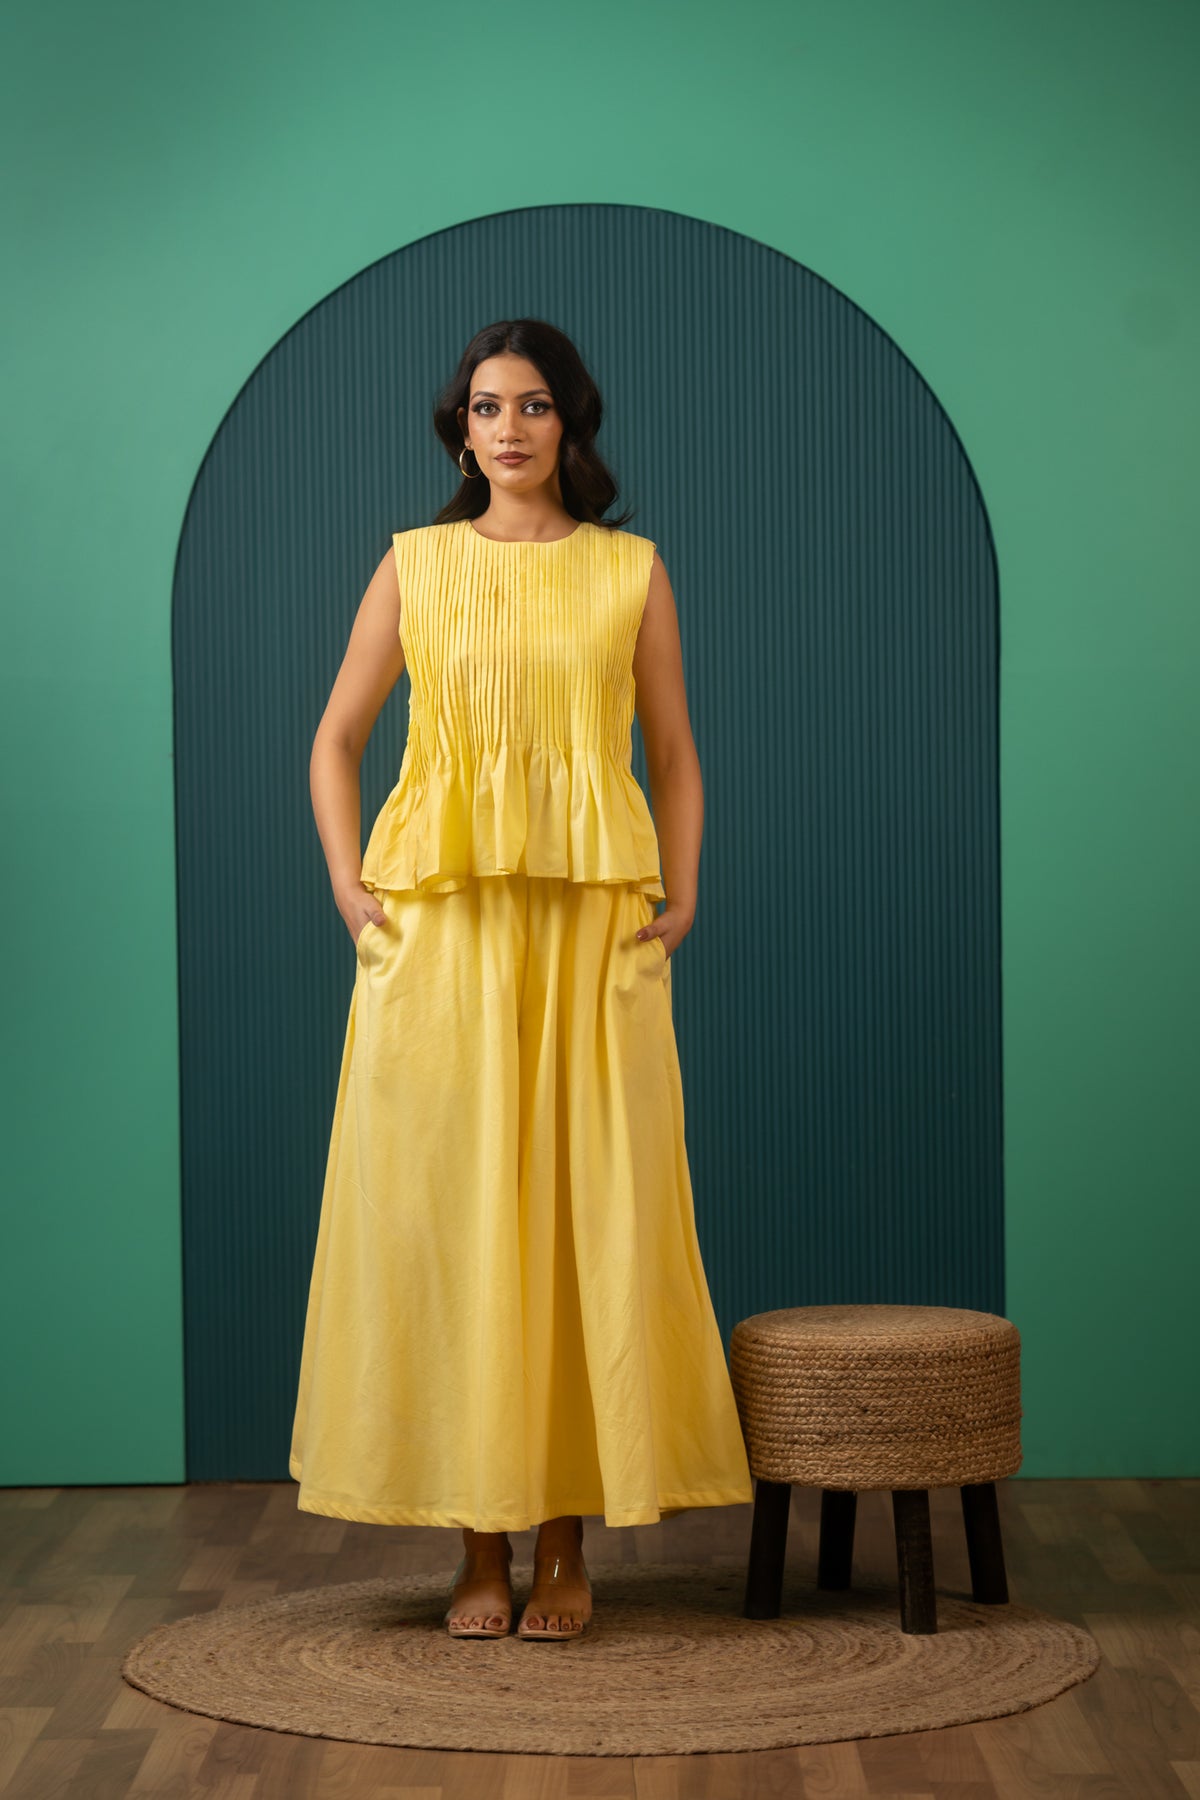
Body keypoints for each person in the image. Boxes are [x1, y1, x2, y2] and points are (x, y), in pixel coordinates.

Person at [289, 318, 752, 1642]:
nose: (509, 428)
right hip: (442, 934)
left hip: (591, 929)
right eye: (487, 407)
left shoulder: (629, 570)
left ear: (570, 423)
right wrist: (348, 887)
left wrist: (685, 892)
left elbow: (675, 750)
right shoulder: (415, 565)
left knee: (585, 1215)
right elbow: (335, 739)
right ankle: (476, 1547)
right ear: (460, 430)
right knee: (454, 1221)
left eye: (535, 404)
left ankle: (563, 1545)